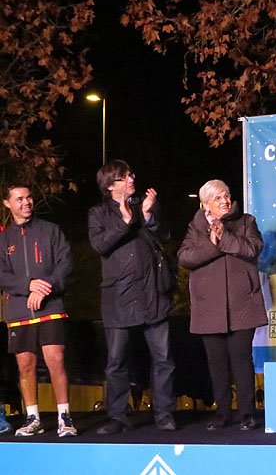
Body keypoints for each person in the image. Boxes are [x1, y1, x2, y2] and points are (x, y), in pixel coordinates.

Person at [88, 160, 177, 434]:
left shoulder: (144, 205)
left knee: (163, 358)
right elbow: (99, 245)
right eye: (124, 177)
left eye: (131, 175)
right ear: (109, 185)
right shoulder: (98, 213)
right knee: (116, 362)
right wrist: (125, 223)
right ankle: (118, 416)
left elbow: (165, 236)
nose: (131, 179)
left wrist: (148, 216)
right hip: (118, 298)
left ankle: (164, 414)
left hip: (153, 294)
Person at [178, 180, 268, 431]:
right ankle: (223, 413)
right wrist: (213, 243)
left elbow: (253, 248)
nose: (225, 201)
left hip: (242, 304)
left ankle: (248, 412)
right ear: (206, 204)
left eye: (226, 195)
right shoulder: (196, 227)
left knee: (242, 360)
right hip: (209, 309)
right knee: (216, 363)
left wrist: (224, 236)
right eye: (217, 198)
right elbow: (185, 257)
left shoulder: (246, 222)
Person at [0, 184, 77, 437]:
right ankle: (32, 418)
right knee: (25, 365)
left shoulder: (51, 230)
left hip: (50, 306)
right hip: (19, 310)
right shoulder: (3, 239)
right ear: (7, 203)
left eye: (29, 197)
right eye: (19, 198)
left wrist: (44, 287)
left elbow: (65, 264)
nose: (26, 202)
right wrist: (28, 285)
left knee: (56, 359)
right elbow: (2, 274)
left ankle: (64, 417)